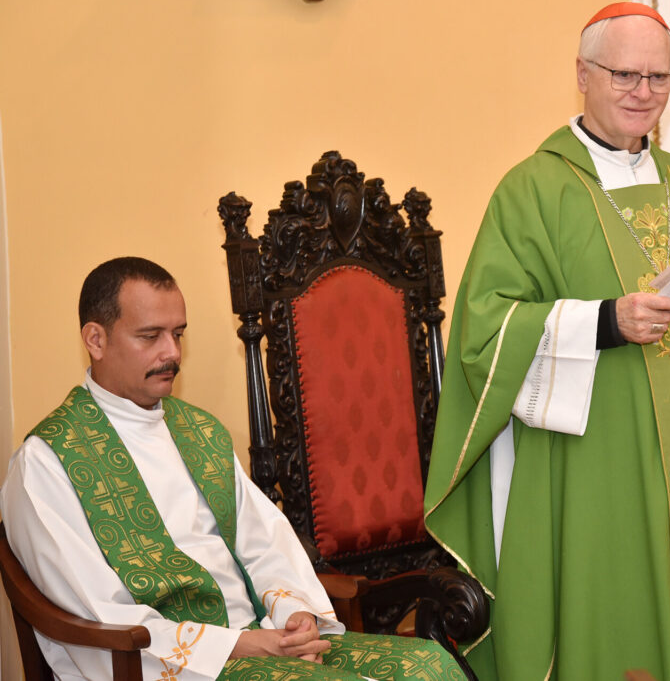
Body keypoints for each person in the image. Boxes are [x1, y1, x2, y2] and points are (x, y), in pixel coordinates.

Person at [423, 3, 670, 680]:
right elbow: (485, 330)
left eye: (659, 77)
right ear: (582, 75)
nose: (644, 93)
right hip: (587, 467)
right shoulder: (533, 189)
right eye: (625, 75)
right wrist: (605, 322)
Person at [1, 257, 464, 681]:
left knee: (428, 666)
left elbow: (264, 544)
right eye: (150, 336)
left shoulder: (198, 432)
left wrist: (294, 616)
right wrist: (237, 646)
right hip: (171, 665)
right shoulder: (48, 463)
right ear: (95, 339)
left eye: (178, 334)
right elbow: (96, 610)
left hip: (260, 637)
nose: (172, 353)